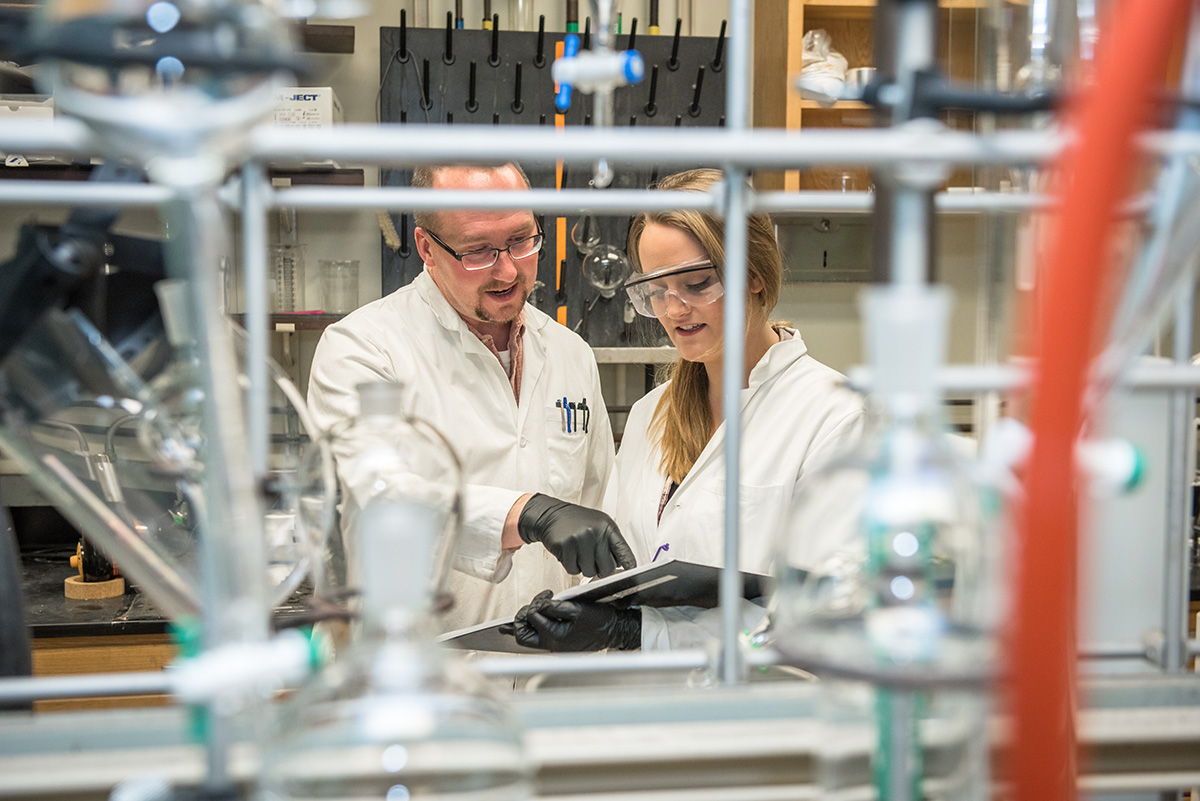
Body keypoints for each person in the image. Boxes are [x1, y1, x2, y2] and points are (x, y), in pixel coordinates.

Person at [505, 168, 865, 651]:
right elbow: (625, 575)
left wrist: (641, 633)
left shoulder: (835, 415)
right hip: (643, 707)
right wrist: (580, 613)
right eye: (656, 289)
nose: (674, 310)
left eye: (696, 284)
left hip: (757, 704)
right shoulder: (649, 414)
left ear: (754, 276)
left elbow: (829, 611)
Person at [307, 162, 635, 633]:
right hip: (415, 675)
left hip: (550, 673)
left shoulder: (570, 354)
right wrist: (527, 513)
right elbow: (381, 496)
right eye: (478, 251)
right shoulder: (363, 348)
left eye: (522, 240)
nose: (507, 269)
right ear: (427, 248)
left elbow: (602, 498)